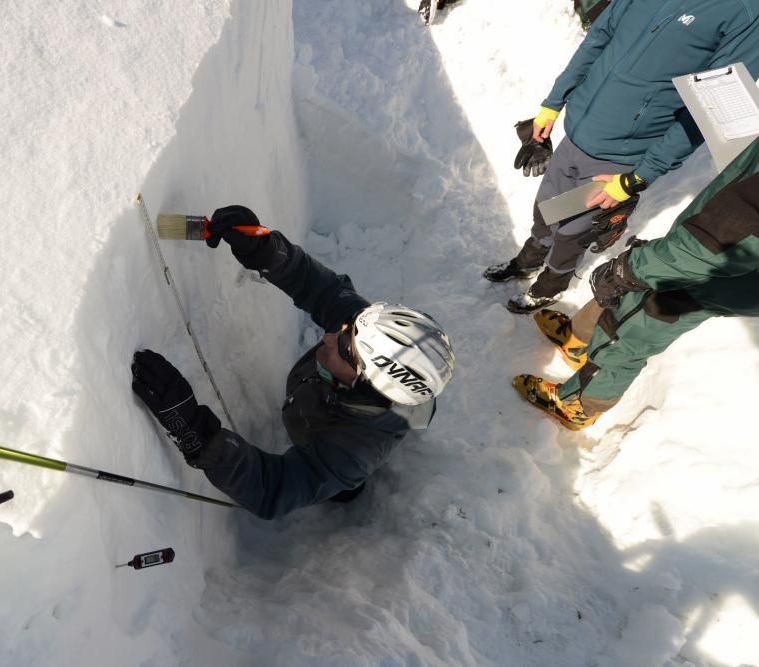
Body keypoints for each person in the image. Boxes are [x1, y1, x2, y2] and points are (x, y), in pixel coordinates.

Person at [131, 205, 455, 519]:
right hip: (316, 403)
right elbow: (322, 289)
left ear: (364, 384)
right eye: (346, 329)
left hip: (332, 454)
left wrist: (194, 431)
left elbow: (273, 488)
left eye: (343, 346)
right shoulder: (366, 337)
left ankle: (343, 495)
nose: (329, 336)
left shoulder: (351, 453)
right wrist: (267, 250)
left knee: (340, 490)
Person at [488, 0, 759, 314]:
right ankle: (528, 261)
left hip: (618, 159)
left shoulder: (745, 13)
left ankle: (551, 285)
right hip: (578, 129)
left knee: (572, 232)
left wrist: (639, 176)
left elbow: (709, 113)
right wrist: (553, 103)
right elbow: (599, 37)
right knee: (546, 208)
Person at [512, 138, 759, 430]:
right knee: (630, 292)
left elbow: (717, 243)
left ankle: (579, 403)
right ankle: (578, 341)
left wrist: (629, 269)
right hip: (710, 244)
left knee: (636, 329)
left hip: (716, 267)